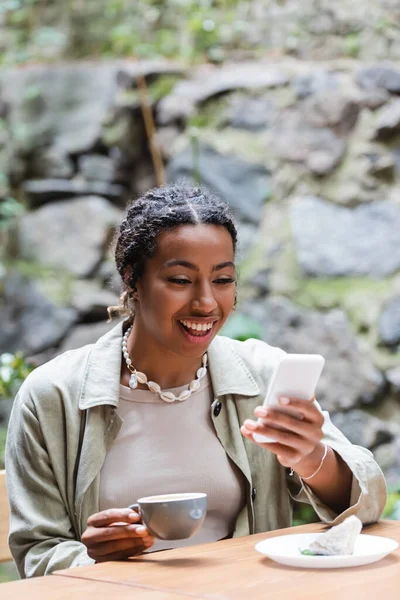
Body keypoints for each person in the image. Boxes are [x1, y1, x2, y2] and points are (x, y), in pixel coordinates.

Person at [6, 182, 386, 578]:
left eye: (222, 280)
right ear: (132, 280)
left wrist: (311, 458)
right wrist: (92, 559)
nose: (206, 302)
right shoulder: (53, 396)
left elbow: (371, 500)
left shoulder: (260, 374)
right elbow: (37, 550)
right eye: (181, 281)